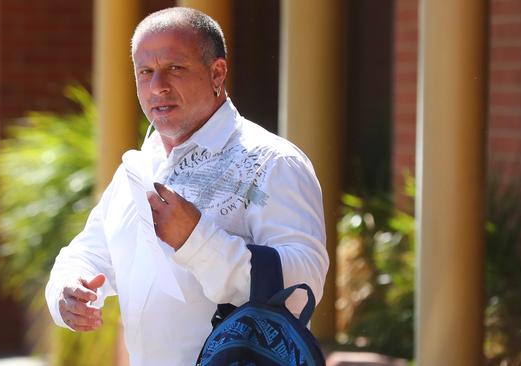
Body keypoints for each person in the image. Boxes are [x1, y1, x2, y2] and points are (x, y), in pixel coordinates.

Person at [45, 7, 329, 366]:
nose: (157, 86)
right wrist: (68, 292)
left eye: (175, 69)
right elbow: (87, 252)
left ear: (217, 72)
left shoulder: (272, 162)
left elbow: (304, 285)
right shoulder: (140, 165)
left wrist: (196, 240)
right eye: (145, 72)